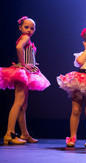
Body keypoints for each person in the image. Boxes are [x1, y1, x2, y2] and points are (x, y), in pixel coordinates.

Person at [0, 16, 50, 144]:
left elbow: (26, 52)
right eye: (26, 27)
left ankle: (25, 133)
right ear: (20, 27)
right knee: (19, 102)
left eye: (32, 28)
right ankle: (9, 134)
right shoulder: (25, 38)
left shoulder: (27, 39)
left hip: (26, 72)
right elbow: (18, 48)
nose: (29, 30)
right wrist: (23, 63)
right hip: (22, 72)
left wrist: (30, 63)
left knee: (23, 105)